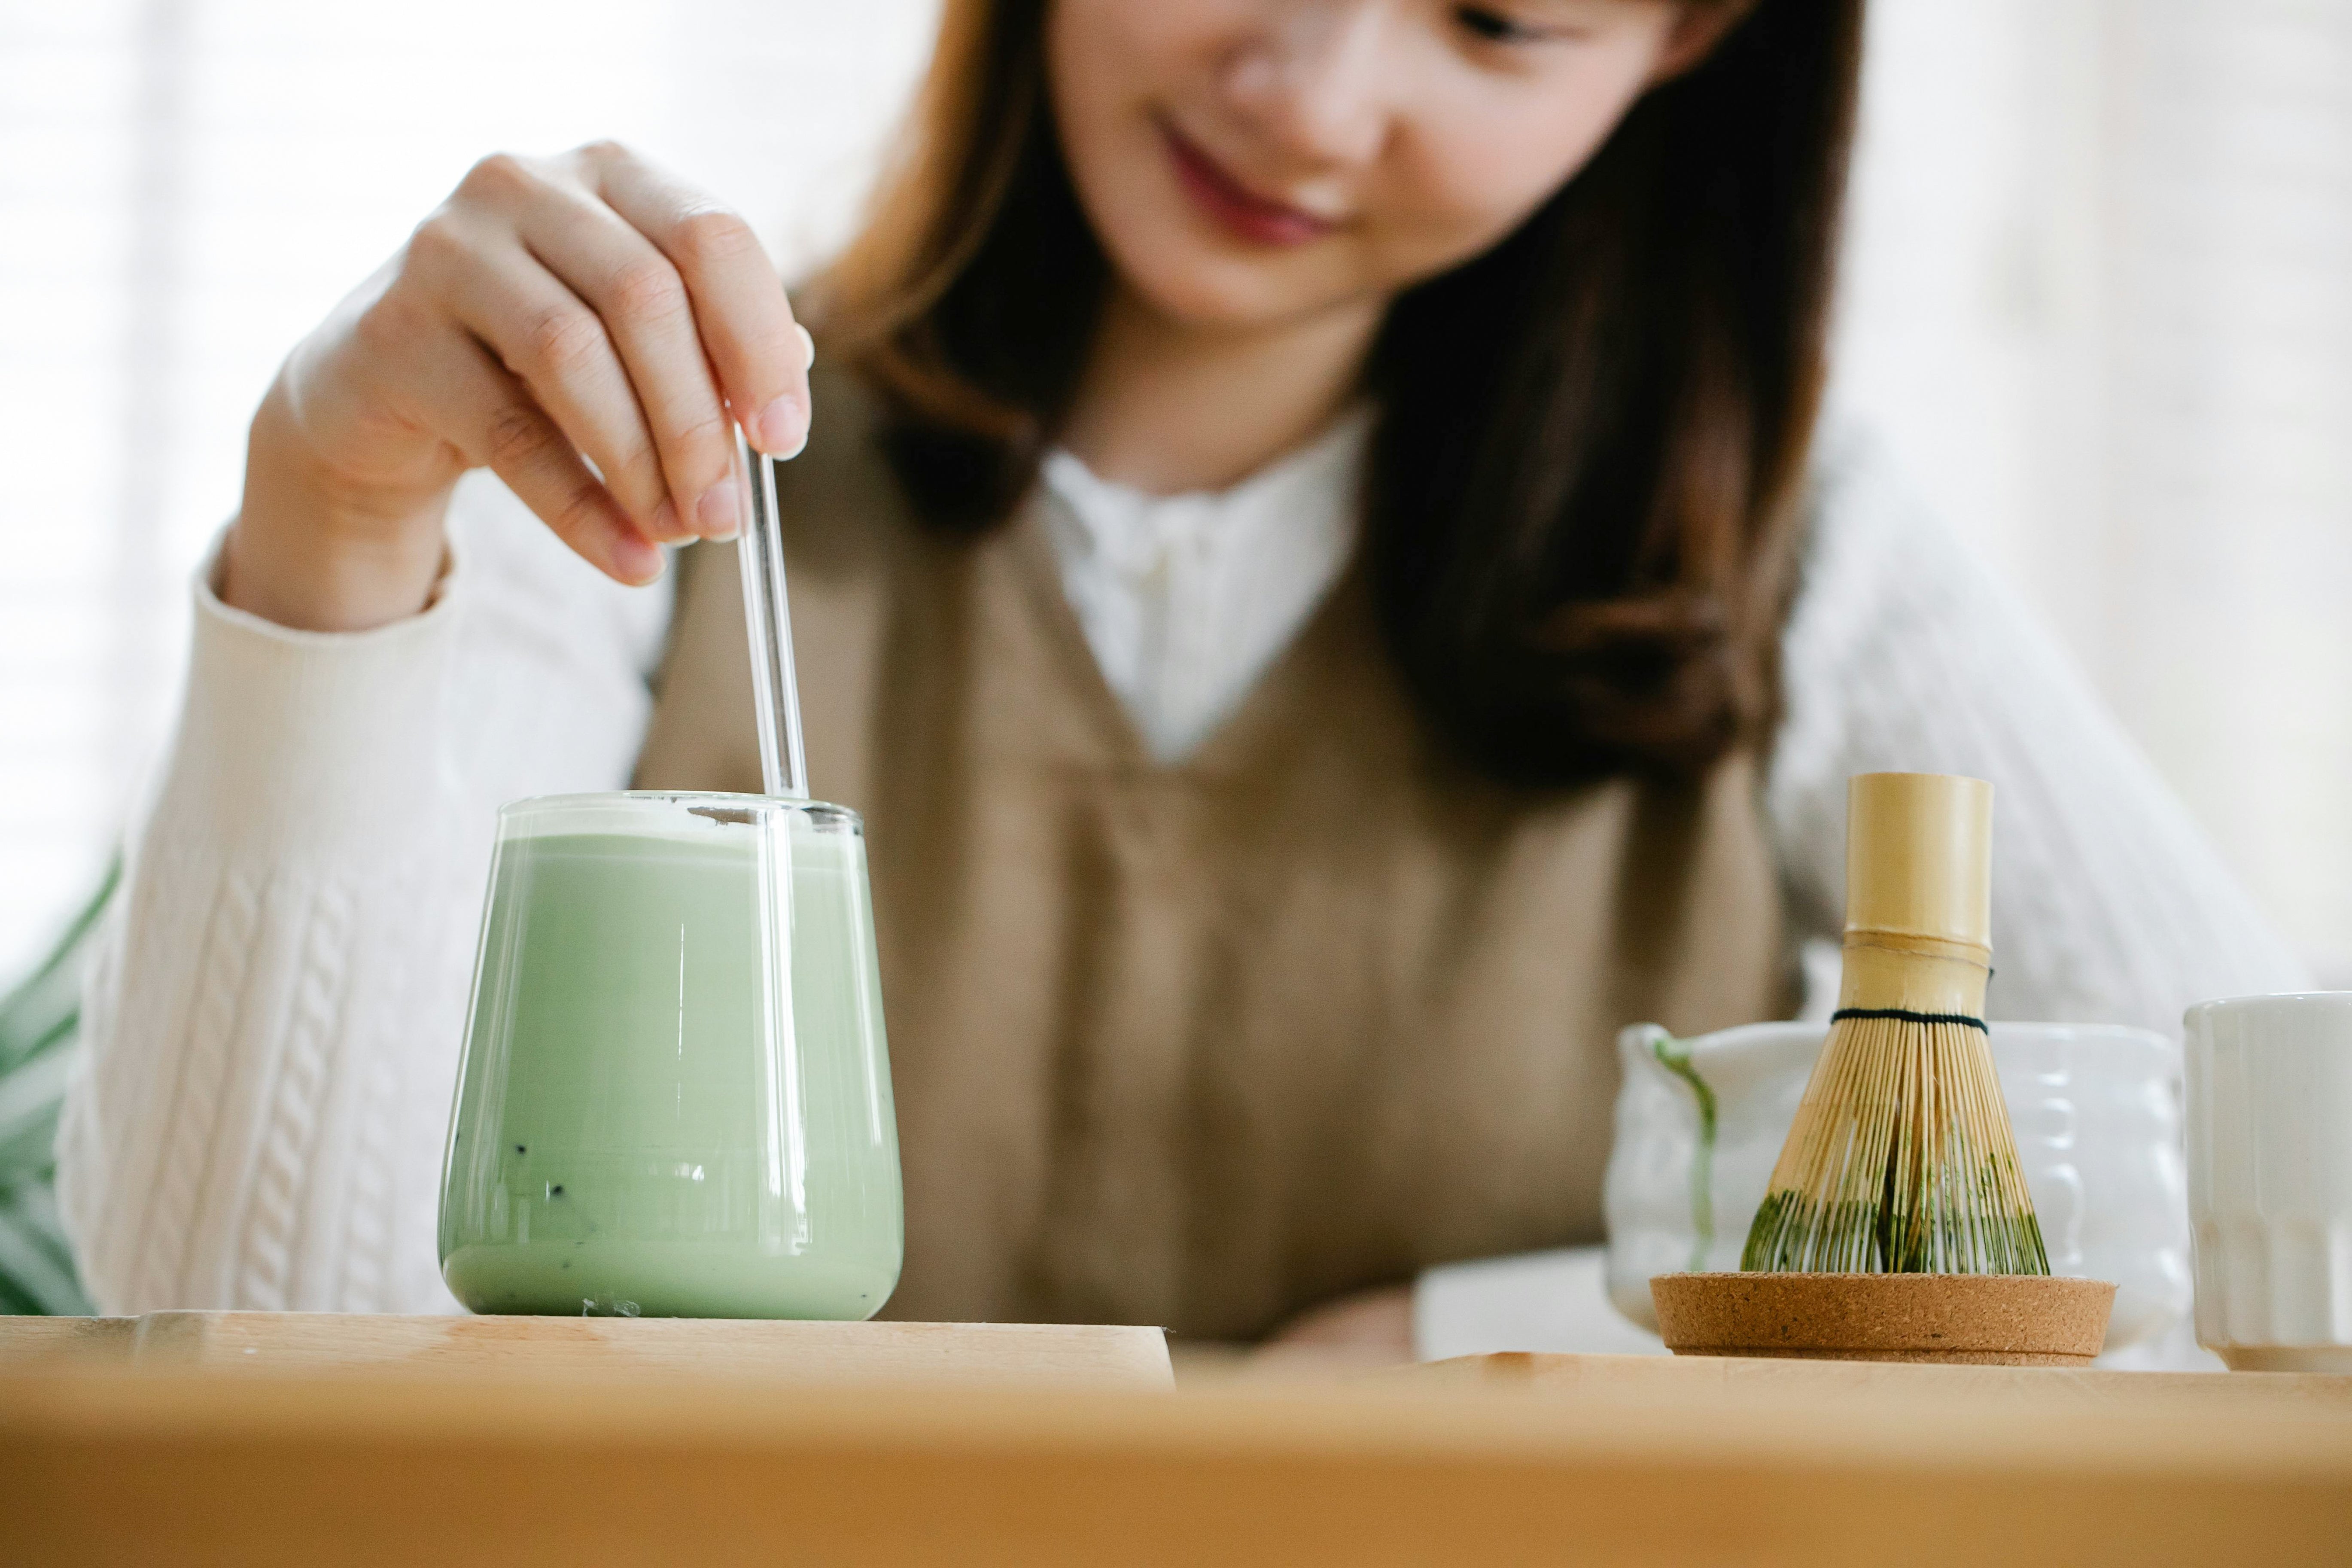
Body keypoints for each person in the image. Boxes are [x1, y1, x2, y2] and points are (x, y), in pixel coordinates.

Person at [58, 0, 2302, 1352]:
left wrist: (1467, 1335)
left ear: (1686, 45)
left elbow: (2282, 1214)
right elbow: (240, 1335)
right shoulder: (646, 487)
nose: (1309, 98)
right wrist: (337, 519)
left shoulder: (1798, 568)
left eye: (1499, 21)